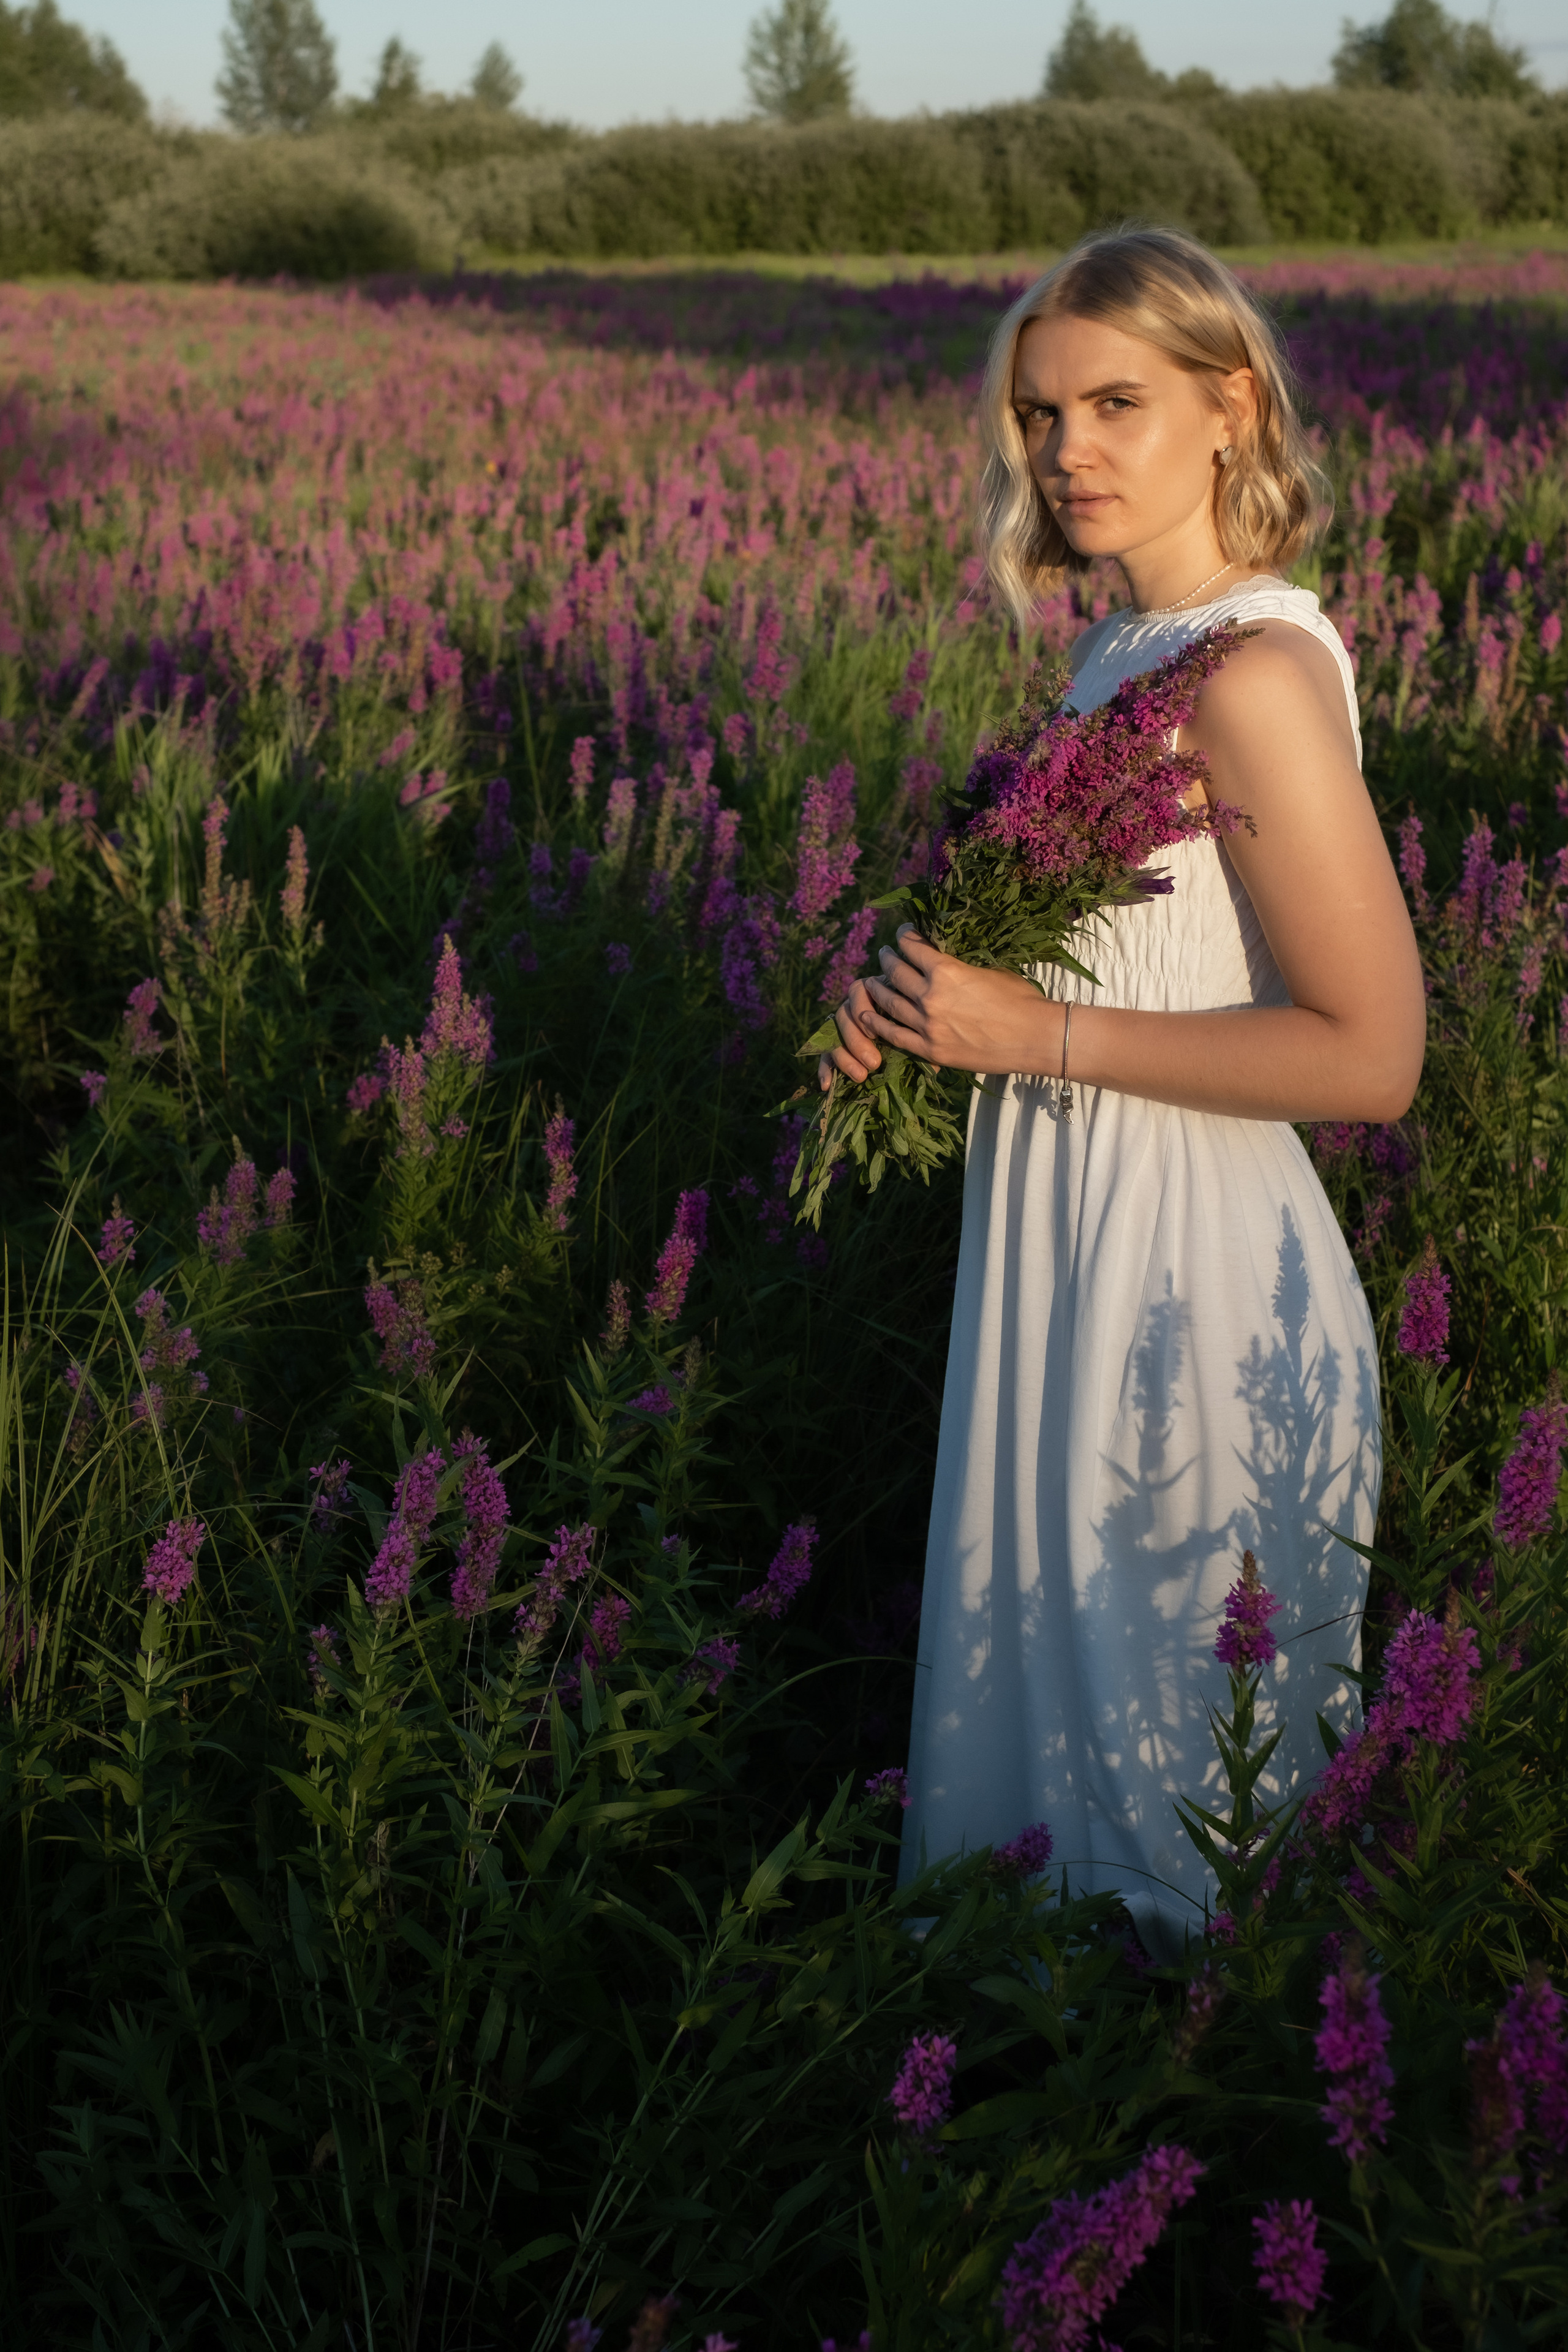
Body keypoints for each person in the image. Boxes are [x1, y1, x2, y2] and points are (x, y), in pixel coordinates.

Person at [818, 227, 1426, 1956]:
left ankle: (1184, 2183)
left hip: (1193, 1289)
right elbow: (1104, 957)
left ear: (1231, 407)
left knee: (1171, 1795)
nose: (1064, 450)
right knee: (1061, 1774)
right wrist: (934, 1003)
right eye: (1036, 415)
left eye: (1114, 402)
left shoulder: (1250, 676)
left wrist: (1045, 1038)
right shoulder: (1124, 658)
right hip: (1073, 1255)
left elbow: (1374, 1057)